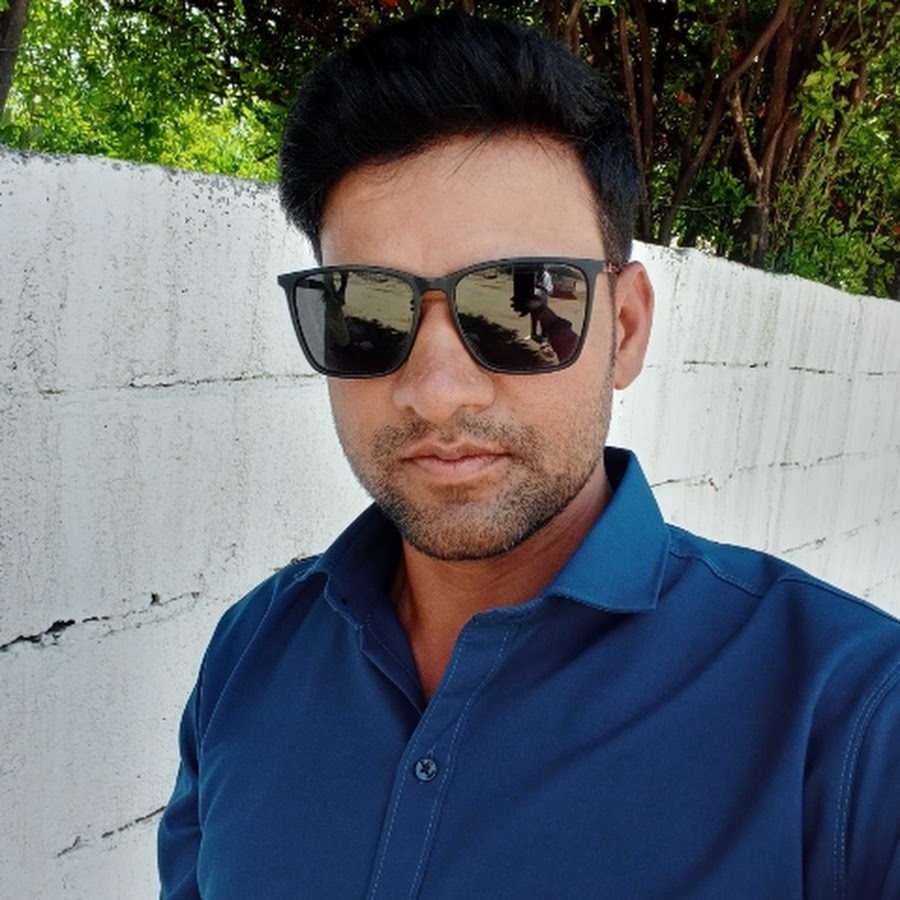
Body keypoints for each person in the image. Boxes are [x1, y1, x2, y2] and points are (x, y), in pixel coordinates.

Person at [157, 13, 900, 898]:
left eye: (521, 303)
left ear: (625, 328)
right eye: (364, 310)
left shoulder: (854, 726)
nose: (438, 391)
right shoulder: (252, 657)